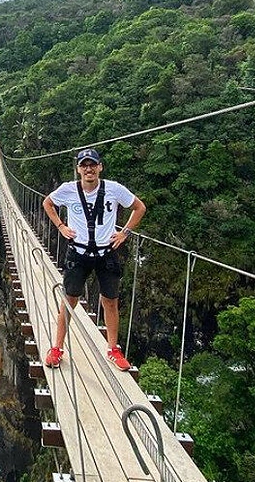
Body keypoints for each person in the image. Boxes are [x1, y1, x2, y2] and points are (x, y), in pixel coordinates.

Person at [42, 148, 146, 371]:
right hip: (78, 254)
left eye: (92, 164)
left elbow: (139, 207)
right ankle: (57, 348)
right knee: (69, 301)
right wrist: (61, 226)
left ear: (100, 167)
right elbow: (47, 203)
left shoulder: (114, 189)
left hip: (106, 254)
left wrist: (124, 233)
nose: (88, 169)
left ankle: (113, 350)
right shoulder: (68, 190)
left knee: (110, 301)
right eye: (84, 165)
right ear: (78, 169)